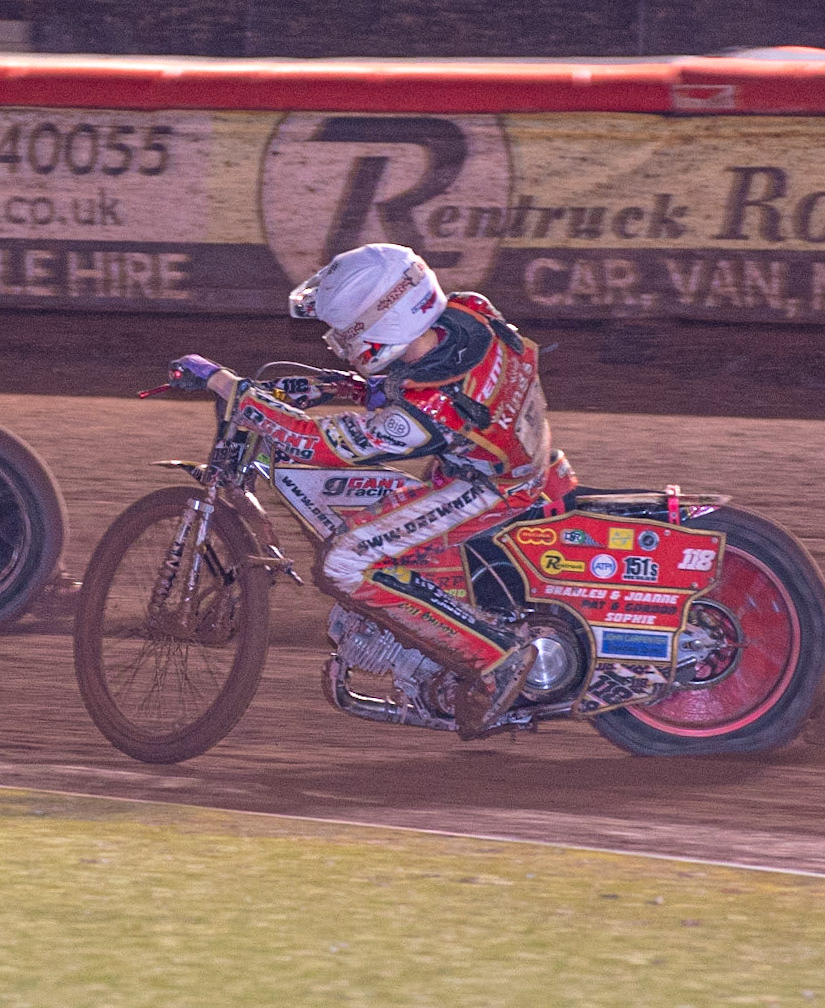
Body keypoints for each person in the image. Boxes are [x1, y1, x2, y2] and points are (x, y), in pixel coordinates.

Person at [170, 242, 578, 739]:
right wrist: (340, 386)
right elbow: (424, 374)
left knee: (344, 562)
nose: (336, 340)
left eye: (343, 331)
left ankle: (495, 657)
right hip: (519, 457)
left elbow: (320, 443)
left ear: (376, 328)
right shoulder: (472, 312)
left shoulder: (429, 412)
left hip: (488, 487)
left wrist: (228, 387)